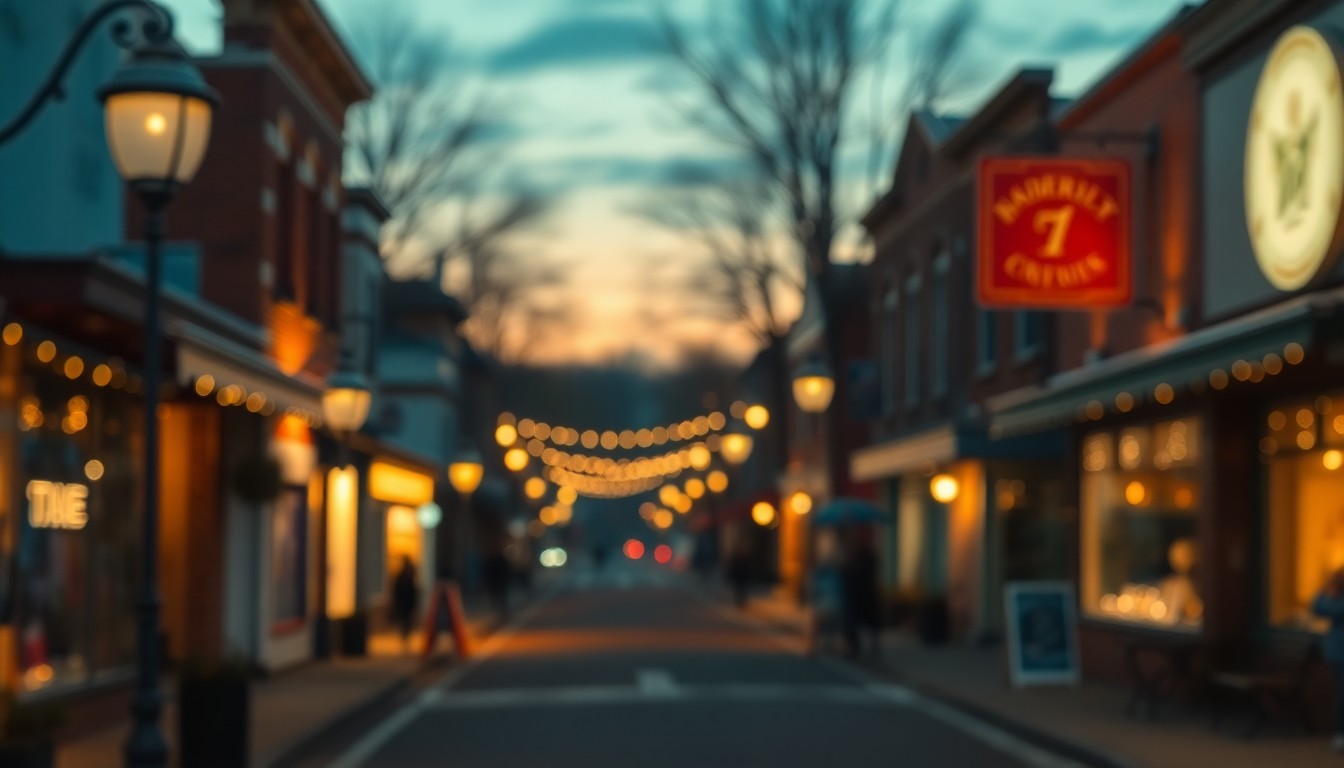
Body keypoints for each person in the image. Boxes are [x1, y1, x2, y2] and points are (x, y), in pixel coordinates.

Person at [1313, 567, 1344, 751]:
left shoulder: (1336, 602)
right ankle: (1340, 733)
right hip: (1339, 655)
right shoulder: (1337, 602)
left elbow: (1319, 605)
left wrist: (1326, 588)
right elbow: (1318, 606)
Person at [840, 527, 880, 657]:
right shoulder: (853, 555)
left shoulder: (867, 556)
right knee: (854, 622)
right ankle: (854, 646)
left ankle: (866, 646)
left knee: (866, 622)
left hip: (864, 594)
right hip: (857, 595)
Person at [392, 555, 420, 650]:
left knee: (406, 620)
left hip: (406, 602)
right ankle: (405, 637)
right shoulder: (405, 575)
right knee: (406, 620)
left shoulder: (407, 575)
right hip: (405, 602)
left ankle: (405, 637)